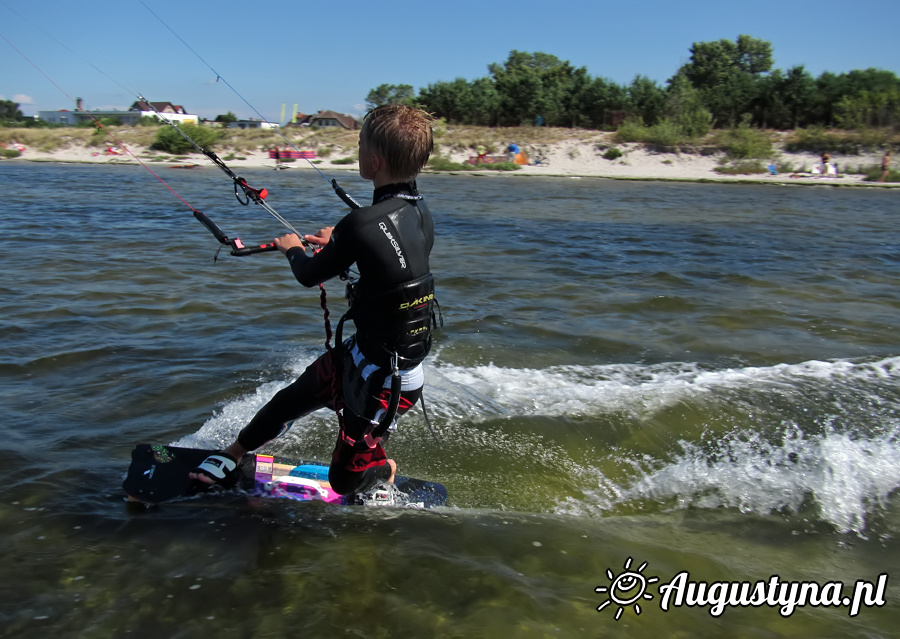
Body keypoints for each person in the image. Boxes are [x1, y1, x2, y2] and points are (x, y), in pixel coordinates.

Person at [191, 104, 437, 497]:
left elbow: (308, 275)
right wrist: (340, 249)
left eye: (359, 143)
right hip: (362, 354)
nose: (357, 149)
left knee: (343, 481)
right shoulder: (421, 212)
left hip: (388, 380)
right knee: (293, 397)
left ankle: (381, 469)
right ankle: (233, 453)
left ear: (373, 160)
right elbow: (394, 270)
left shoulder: (360, 223)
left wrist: (292, 247)